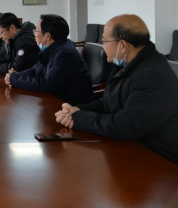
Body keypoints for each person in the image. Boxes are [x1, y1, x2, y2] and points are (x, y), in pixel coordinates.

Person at [55, 14, 178, 164]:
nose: (102, 46)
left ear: (123, 45)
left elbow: (127, 126)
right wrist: (73, 111)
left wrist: (77, 118)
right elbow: (106, 104)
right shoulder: (125, 64)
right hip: (130, 148)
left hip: (158, 161)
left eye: (104, 41)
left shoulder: (152, 75)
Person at [4, 14, 93, 105]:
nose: (34, 34)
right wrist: (15, 76)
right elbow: (35, 70)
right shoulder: (50, 49)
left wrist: (15, 79)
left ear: (47, 36)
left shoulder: (65, 53)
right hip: (55, 99)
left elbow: (48, 84)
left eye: (36, 30)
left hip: (70, 105)